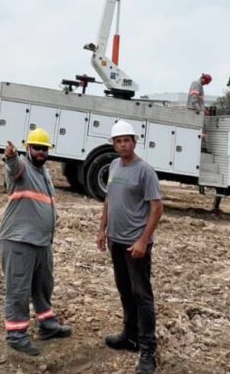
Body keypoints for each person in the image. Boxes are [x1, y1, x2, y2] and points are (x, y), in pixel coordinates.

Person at [97, 120, 164, 374]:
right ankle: (130, 335)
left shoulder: (144, 170)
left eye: (127, 140)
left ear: (134, 142)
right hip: (116, 240)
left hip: (135, 245)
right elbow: (109, 199)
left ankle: (148, 350)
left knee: (142, 296)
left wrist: (143, 241)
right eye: (118, 140)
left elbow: (157, 208)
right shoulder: (114, 165)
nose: (123, 144)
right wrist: (102, 229)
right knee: (125, 291)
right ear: (113, 145)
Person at [0, 128, 72, 356]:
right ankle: (16, 335)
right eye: (36, 148)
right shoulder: (21, 167)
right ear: (27, 148)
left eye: (44, 149)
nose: (41, 152)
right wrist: (10, 156)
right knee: (18, 290)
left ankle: (47, 325)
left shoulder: (44, 172)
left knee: (43, 286)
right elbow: (13, 168)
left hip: (41, 242)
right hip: (19, 240)